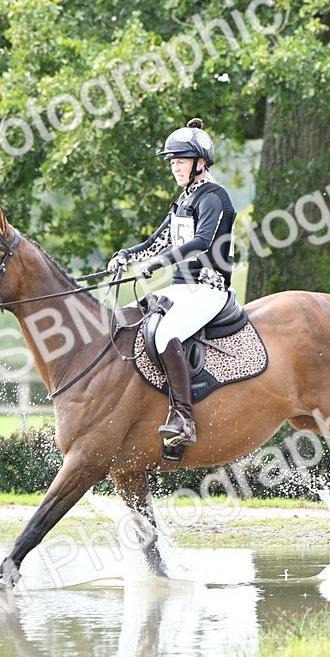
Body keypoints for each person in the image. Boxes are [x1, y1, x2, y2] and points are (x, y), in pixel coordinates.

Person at [107, 118, 237, 447]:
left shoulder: (214, 198)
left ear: (200, 163)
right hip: (180, 288)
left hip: (208, 289)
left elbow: (203, 243)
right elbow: (158, 241)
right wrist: (127, 255)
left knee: (166, 334)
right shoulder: (185, 199)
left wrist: (160, 263)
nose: (175, 167)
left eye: (181, 161)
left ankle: (184, 419)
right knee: (124, 319)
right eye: (172, 162)